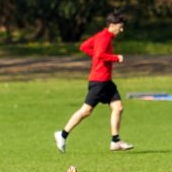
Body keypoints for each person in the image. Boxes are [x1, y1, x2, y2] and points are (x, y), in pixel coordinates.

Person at [54, 12, 133, 153]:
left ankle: (115, 141)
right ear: (112, 25)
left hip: (106, 81)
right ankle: (62, 134)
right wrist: (116, 58)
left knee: (118, 107)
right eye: (120, 27)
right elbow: (99, 54)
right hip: (99, 81)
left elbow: (84, 47)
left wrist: (97, 56)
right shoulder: (104, 38)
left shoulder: (101, 36)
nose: (121, 30)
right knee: (86, 111)